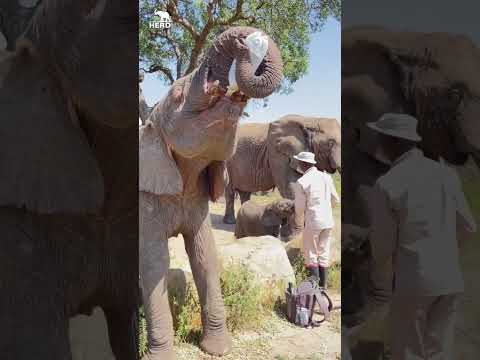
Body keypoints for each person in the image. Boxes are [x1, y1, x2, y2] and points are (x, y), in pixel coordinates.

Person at [365, 113, 477, 359]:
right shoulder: (446, 174)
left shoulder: (388, 184)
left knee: (409, 352)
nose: (378, 144)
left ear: (392, 142)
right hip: (450, 278)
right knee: (439, 351)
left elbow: (382, 247)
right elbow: (468, 227)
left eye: (381, 138)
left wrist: (381, 287)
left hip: (413, 282)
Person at [292, 151, 340, 288]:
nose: (298, 165)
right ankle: (323, 288)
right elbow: (335, 200)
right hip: (328, 221)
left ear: (303, 164)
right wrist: (325, 209)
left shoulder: (302, 182)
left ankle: (314, 289)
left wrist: (300, 223)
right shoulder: (326, 177)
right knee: (324, 253)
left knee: (311, 255)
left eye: (299, 163)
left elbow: (299, 209)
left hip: (313, 222)